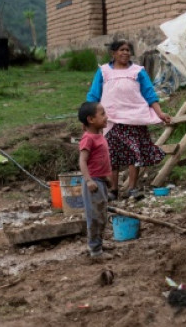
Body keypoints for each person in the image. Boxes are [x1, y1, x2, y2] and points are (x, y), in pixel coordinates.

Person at [86, 39, 172, 199]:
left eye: (128, 50)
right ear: (113, 53)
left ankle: (132, 188)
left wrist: (160, 113)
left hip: (134, 118)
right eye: (122, 50)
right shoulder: (104, 71)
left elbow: (149, 94)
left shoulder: (138, 71)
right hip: (111, 119)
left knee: (134, 153)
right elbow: (93, 95)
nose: (125, 52)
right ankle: (113, 190)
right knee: (112, 155)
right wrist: (88, 117)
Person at [77, 101, 115, 260]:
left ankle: (98, 243)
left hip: (100, 181)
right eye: (102, 114)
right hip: (93, 183)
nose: (106, 117)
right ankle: (95, 251)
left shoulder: (99, 136)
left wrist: (106, 178)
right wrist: (88, 181)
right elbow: (82, 161)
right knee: (94, 217)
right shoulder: (88, 138)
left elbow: (100, 160)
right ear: (91, 119)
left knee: (102, 215)